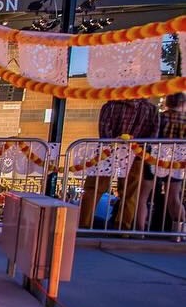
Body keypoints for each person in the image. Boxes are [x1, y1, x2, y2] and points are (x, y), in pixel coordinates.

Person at [78, 98, 159, 230]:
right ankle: (123, 228)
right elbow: (152, 138)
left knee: (94, 189)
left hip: (107, 154)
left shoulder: (110, 106)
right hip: (136, 155)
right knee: (130, 193)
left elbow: (104, 133)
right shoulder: (151, 110)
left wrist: (115, 144)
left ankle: (83, 224)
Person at [157, 92, 186, 233]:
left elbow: (154, 136)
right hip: (178, 162)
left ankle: (140, 230)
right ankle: (179, 229)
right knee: (174, 197)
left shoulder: (160, 117)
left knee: (143, 195)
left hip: (158, 159)